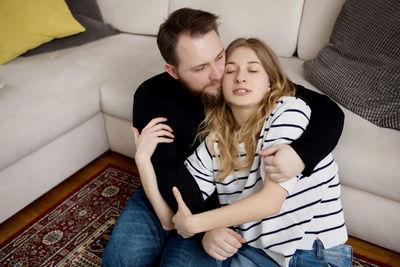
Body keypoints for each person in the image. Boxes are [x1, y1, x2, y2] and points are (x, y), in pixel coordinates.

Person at [102, 8, 345, 266]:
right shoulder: (158, 101)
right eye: (200, 68)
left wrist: (300, 155)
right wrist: (143, 163)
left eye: (220, 57)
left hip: (229, 217)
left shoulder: (260, 94)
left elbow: (328, 112)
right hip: (175, 195)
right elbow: (171, 185)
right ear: (173, 71)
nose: (219, 74)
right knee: (121, 260)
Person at [167, 37, 352, 266]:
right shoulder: (215, 143)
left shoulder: (289, 111)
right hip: (257, 252)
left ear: (270, 83)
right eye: (230, 71)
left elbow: (270, 202)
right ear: (220, 85)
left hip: (313, 252)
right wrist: (144, 162)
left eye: (253, 70)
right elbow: (182, 195)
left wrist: (196, 225)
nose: (241, 77)